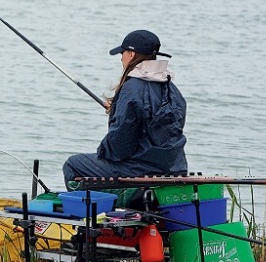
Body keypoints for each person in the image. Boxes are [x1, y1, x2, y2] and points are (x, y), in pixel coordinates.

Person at [62, 30, 187, 188]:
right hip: (175, 168)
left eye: (123, 53)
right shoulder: (172, 89)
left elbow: (120, 147)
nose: (121, 58)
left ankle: (95, 210)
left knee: (73, 164)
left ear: (132, 54)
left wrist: (103, 152)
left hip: (142, 170)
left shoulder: (131, 89)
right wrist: (117, 109)